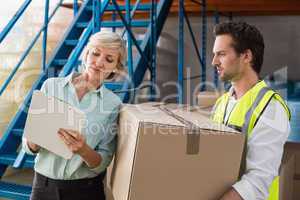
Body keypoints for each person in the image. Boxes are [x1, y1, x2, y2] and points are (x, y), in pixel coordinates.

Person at [22, 31, 125, 200]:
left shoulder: (112, 104)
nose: (99, 62)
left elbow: (103, 161)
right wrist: (34, 141)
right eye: (96, 53)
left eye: (109, 59)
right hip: (44, 188)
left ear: (116, 67)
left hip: (85, 190)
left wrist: (83, 150)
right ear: (86, 53)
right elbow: (28, 143)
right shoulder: (51, 87)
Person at [210, 21, 291, 200]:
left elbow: (257, 182)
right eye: (214, 55)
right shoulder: (221, 103)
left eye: (221, 54)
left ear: (246, 56)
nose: (214, 61)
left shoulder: (270, 107)